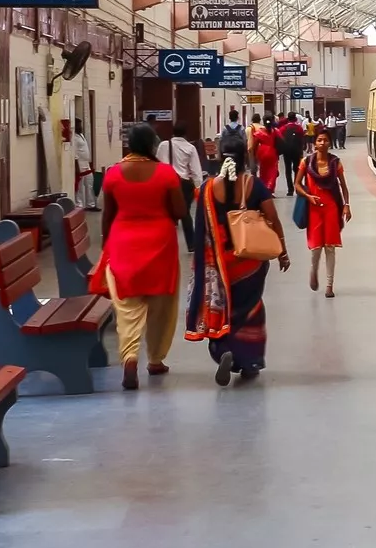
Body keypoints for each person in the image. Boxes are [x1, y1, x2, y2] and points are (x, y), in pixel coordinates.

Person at [186, 130, 290, 385]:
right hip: (250, 262)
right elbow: (273, 218)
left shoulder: (208, 188)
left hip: (220, 264)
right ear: (246, 156)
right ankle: (249, 362)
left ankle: (224, 351)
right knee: (251, 309)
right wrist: (283, 250)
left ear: (220, 157)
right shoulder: (253, 184)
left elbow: (201, 229)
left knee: (224, 308)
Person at [95, 123, 187, 391]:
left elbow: (107, 215)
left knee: (127, 307)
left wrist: (106, 244)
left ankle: (130, 357)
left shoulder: (113, 174)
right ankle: (156, 359)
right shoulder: (166, 174)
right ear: (150, 144)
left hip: (123, 243)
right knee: (161, 305)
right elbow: (180, 212)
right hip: (160, 243)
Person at [300, 128, 350, 296]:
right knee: (316, 248)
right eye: (319, 140)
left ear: (329, 143)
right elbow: (296, 184)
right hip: (313, 209)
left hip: (331, 208)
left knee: (330, 247)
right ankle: (313, 271)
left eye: (325, 140)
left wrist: (346, 205)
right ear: (314, 143)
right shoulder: (306, 163)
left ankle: (329, 285)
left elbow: (343, 186)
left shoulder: (336, 163)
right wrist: (308, 196)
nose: (322, 143)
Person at [159, 122, 206, 246]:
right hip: (184, 184)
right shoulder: (190, 148)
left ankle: (164, 242)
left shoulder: (163, 145)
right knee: (185, 214)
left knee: (166, 213)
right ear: (186, 134)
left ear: (173, 132)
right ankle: (191, 243)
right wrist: (199, 187)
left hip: (166, 182)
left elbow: (157, 164)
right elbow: (196, 170)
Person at [70, 123, 98, 211]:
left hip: (86, 164)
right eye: (79, 125)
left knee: (89, 183)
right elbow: (74, 153)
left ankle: (90, 204)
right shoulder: (73, 137)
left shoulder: (81, 135)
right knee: (80, 186)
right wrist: (76, 167)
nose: (81, 127)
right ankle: (79, 205)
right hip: (80, 164)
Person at [251, 114, 281, 191]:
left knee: (263, 171)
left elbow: (255, 145)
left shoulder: (259, 132)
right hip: (272, 152)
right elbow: (281, 140)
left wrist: (254, 155)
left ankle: (263, 188)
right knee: (273, 171)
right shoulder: (275, 131)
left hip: (262, 152)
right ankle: (270, 187)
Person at [279, 114, 305, 194]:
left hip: (287, 151)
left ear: (288, 119)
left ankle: (290, 190)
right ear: (295, 119)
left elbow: (280, 138)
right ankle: (297, 188)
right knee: (297, 169)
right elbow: (302, 139)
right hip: (297, 151)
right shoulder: (299, 128)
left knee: (288, 170)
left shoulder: (283, 128)